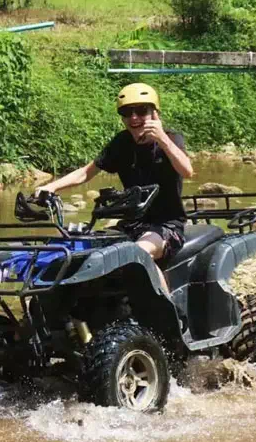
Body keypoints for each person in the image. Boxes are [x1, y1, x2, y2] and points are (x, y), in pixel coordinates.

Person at [35, 83, 194, 293]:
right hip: (130, 224)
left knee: (137, 252)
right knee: (82, 248)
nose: (134, 118)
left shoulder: (171, 139)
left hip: (166, 225)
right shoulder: (122, 142)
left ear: (155, 113)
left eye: (141, 111)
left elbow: (187, 171)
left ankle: (168, 315)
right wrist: (52, 187)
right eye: (127, 112)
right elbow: (86, 172)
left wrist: (162, 139)